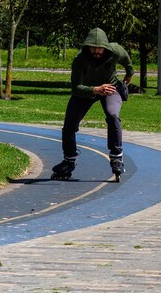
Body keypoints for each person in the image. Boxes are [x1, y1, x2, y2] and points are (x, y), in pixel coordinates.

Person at [52, 27, 134, 181]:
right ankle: (69, 160)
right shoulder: (79, 60)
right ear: (87, 46)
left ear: (105, 47)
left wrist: (129, 73)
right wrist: (95, 89)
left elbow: (126, 58)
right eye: (93, 48)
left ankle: (116, 157)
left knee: (113, 115)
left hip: (110, 88)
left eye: (100, 48)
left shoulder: (115, 50)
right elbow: (76, 87)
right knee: (69, 125)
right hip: (87, 91)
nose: (97, 51)